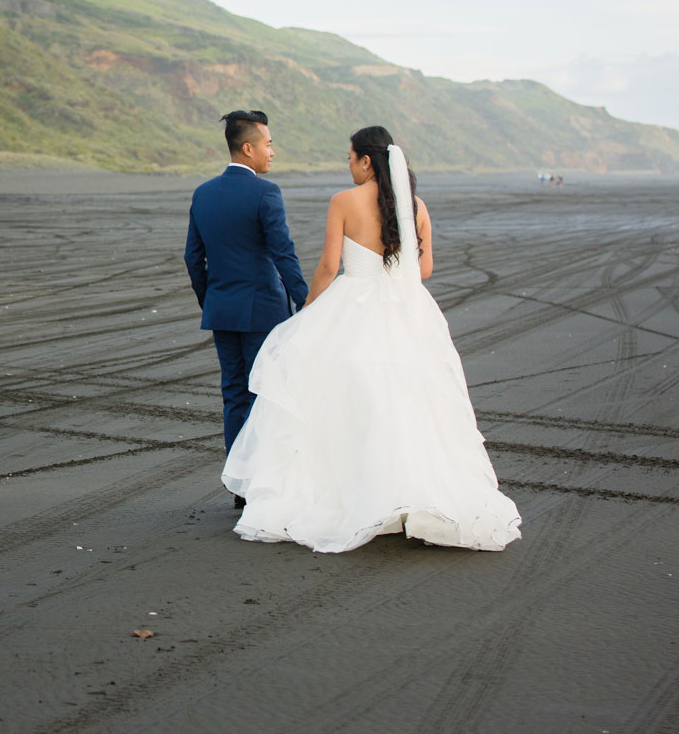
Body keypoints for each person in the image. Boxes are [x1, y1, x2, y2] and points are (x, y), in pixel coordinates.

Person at [223, 125, 522, 553]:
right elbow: (425, 269)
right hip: (406, 310)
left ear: (366, 160)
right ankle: (408, 499)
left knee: (345, 402)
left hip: (353, 305)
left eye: (350, 158)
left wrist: (309, 310)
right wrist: (391, 276)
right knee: (410, 403)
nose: (347, 166)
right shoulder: (415, 206)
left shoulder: (343, 202)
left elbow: (328, 267)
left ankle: (353, 495)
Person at [185, 110, 309, 508]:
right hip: (263, 312)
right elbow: (282, 252)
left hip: (223, 311)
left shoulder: (203, 193)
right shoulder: (265, 193)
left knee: (234, 395)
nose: (272, 152)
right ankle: (261, 482)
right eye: (268, 144)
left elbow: (193, 258)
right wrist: (305, 300)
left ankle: (239, 486)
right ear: (248, 147)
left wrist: (213, 299)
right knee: (265, 395)